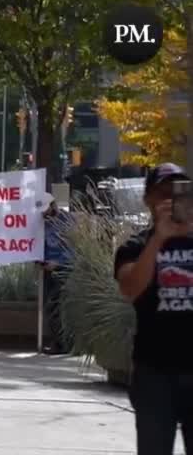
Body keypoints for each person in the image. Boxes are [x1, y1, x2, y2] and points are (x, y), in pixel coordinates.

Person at [114, 162, 193, 454]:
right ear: (148, 200)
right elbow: (131, 289)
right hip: (154, 373)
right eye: (163, 192)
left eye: (179, 191)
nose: (171, 199)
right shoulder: (135, 246)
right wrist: (159, 238)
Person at [41, 199, 74, 354]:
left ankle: (63, 344)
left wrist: (58, 263)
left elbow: (73, 248)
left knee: (58, 305)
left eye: (45, 210)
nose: (43, 214)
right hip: (47, 267)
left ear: (52, 205)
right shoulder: (42, 222)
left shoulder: (67, 221)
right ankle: (58, 341)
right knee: (50, 305)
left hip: (64, 268)